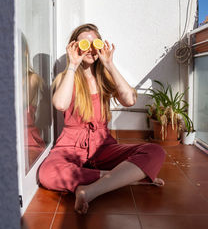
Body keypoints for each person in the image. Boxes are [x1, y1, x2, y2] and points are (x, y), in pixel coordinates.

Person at [38, 23, 166, 214]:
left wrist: (109, 64)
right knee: (46, 173)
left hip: (103, 146)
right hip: (70, 146)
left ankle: (89, 191)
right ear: (74, 47)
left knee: (155, 151)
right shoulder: (67, 77)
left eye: (94, 43)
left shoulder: (104, 78)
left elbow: (130, 99)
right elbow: (60, 104)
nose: (90, 49)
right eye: (84, 44)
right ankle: (121, 178)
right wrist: (72, 65)